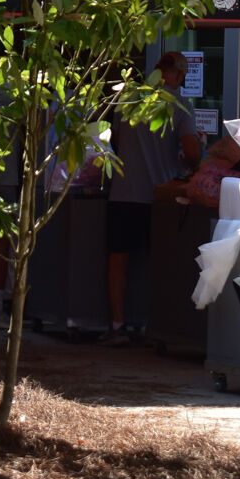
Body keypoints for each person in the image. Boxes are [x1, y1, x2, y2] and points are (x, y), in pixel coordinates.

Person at [101, 51, 201, 346]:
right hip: (161, 196)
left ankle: (117, 324)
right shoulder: (180, 104)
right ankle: (157, 326)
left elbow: (117, 141)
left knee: (119, 259)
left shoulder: (128, 99)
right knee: (163, 262)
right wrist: (188, 160)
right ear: (180, 75)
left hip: (124, 192)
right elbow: (193, 153)